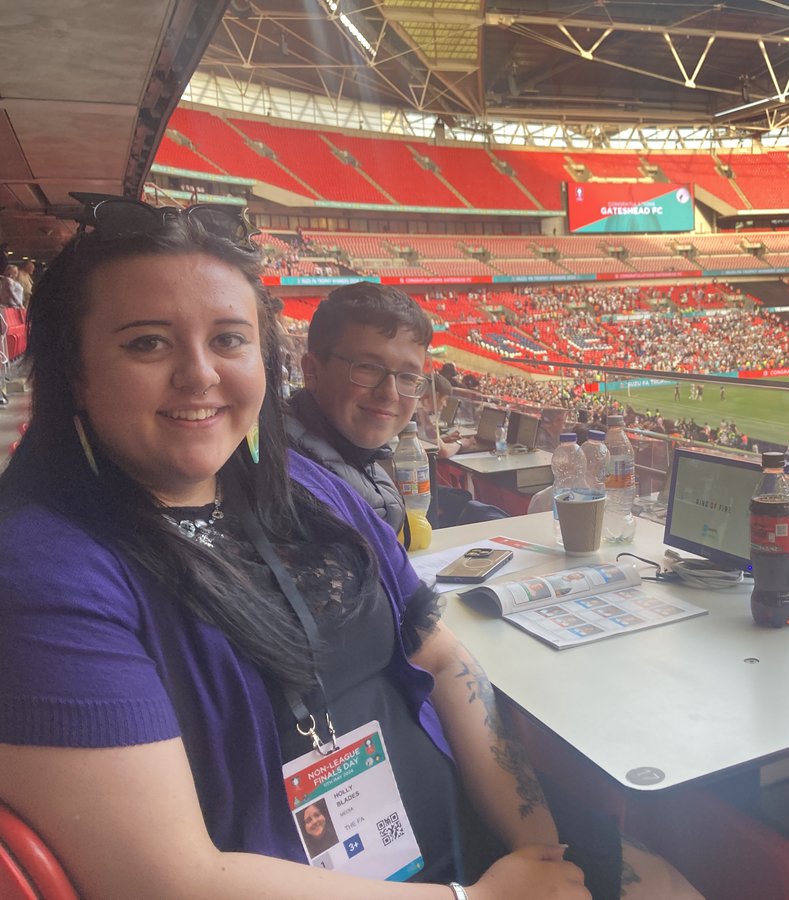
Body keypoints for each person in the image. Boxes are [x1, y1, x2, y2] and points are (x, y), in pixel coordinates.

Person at [0, 200, 692, 900]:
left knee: (666, 886)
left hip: (469, 847)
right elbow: (164, 879)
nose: (200, 375)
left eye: (229, 340)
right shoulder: (41, 577)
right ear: (75, 373)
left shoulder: (304, 485)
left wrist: (540, 848)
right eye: (148, 343)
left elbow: (439, 652)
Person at [286, 282, 431, 548]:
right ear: (312, 372)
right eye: (368, 368)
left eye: (408, 377)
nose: (390, 393)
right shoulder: (296, 489)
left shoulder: (353, 454)